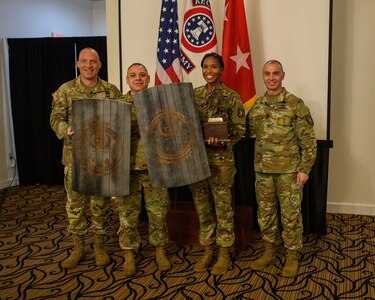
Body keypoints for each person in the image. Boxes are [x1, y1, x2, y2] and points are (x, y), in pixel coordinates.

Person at [50, 47, 122, 269]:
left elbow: (121, 119)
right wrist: (66, 128)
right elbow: (55, 119)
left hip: (102, 159)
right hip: (75, 159)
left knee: (99, 205)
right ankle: (78, 248)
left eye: (93, 61)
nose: (88, 65)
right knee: (75, 205)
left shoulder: (111, 90)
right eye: (84, 61)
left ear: (100, 64)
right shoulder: (66, 90)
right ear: (77, 65)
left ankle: (99, 246)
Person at [246, 60, 317, 277]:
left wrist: (305, 169)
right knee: (265, 214)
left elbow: (309, 141)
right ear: (263, 76)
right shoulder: (257, 106)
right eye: (267, 73)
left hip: (289, 172)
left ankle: (292, 255)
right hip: (263, 171)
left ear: (283, 75)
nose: (271, 77)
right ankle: (269, 251)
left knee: (291, 216)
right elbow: (247, 132)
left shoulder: (296, 104)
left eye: (275, 73)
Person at [189, 52, 246, 275]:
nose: (209, 70)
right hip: (197, 160)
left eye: (213, 66)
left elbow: (240, 130)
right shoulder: (192, 95)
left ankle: (223, 253)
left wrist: (223, 141)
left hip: (221, 162)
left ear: (221, 70)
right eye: (205, 67)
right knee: (202, 207)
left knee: (222, 208)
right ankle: (208, 250)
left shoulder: (232, 97)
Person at [115, 63, 171, 277]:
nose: (137, 78)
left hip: (154, 169)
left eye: (142, 75)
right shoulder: (118, 104)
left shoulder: (159, 103)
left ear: (148, 79)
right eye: (133, 75)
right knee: (127, 215)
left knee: (158, 213)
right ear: (127, 80)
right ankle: (129, 253)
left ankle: (159, 250)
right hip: (126, 171)